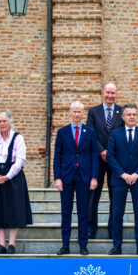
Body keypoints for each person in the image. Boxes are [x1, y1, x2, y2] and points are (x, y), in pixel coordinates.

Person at [0, 112, 32, 254]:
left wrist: (8, 176)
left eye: (4, 121)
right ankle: (1, 244)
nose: (2, 123)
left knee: (14, 209)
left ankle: (12, 244)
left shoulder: (18, 138)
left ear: (10, 122)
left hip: (13, 177)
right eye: (0, 121)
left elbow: (21, 159)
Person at [107, 103, 138, 255]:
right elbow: (110, 156)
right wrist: (124, 174)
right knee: (117, 214)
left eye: (134, 114)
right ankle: (116, 246)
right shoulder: (115, 133)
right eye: (129, 114)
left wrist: (136, 174)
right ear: (123, 117)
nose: (132, 117)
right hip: (119, 179)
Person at [53, 101, 98, 255]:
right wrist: (57, 178)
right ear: (70, 113)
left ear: (83, 113)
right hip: (66, 177)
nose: (77, 114)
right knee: (66, 212)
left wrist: (94, 177)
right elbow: (57, 156)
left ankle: (83, 245)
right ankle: (65, 245)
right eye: (75, 111)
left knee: (83, 212)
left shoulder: (90, 132)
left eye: (80, 112)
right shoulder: (62, 132)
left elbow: (94, 156)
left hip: (84, 177)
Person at [85, 82, 123, 240]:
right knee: (93, 195)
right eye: (108, 92)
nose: (110, 96)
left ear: (116, 94)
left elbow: (121, 134)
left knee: (115, 197)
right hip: (97, 159)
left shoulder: (122, 111)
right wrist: (102, 151)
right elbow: (90, 133)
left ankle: (112, 229)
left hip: (115, 160)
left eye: (113, 93)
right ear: (103, 93)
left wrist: (111, 152)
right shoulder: (93, 111)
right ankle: (90, 228)